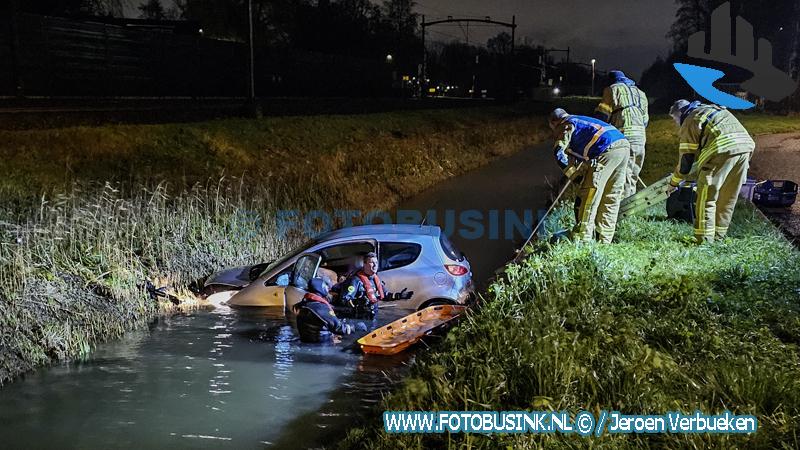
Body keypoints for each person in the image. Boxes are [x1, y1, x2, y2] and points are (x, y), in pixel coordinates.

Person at [668, 100, 755, 243]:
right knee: (727, 198)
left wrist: (673, 182)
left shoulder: (690, 119)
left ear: (680, 113)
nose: (676, 124)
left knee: (706, 198)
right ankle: (719, 237)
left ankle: (703, 240)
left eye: (675, 120)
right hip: (745, 149)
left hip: (721, 151)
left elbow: (686, 160)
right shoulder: (713, 109)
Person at [549, 108, 630, 243]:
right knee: (610, 197)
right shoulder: (581, 119)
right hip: (623, 147)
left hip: (605, 149)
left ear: (554, 123)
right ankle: (604, 241)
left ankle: (583, 239)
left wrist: (574, 176)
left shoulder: (566, 124)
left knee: (589, 197)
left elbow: (558, 152)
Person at [594, 70, 649, 198]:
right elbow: (645, 120)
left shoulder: (611, 89)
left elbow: (602, 115)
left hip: (624, 136)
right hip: (641, 137)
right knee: (633, 174)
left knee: (623, 175)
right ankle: (631, 207)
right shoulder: (641, 93)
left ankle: (622, 209)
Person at [293, 277, 353, 343]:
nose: (328, 288)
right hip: (321, 346)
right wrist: (353, 327)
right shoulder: (319, 307)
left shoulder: (305, 303)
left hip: (309, 342)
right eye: (326, 285)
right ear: (321, 288)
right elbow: (339, 327)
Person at [339, 252, 387, 319]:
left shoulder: (375, 279)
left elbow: (385, 295)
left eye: (376, 262)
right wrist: (357, 302)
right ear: (364, 264)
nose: (375, 265)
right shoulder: (356, 281)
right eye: (372, 262)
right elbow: (344, 299)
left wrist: (401, 295)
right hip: (360, 318)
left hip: (373, 316)